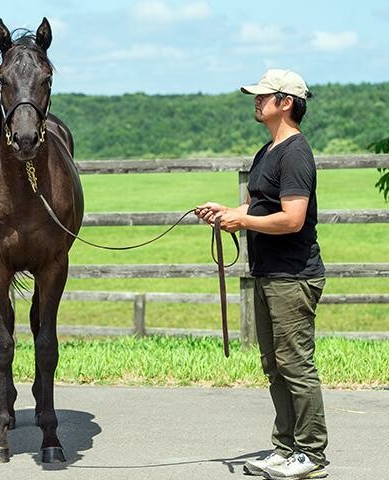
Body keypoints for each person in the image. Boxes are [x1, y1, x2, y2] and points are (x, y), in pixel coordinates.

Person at [195, 69, 328, 480]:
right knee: (274, 365)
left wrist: (244, 221)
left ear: (285, 103)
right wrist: (227, 213)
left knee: (296, 365)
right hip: (268, 272)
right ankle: (286, 447)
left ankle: (311, 453)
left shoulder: (295, 154)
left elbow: (291, 219)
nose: (256, 100)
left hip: (293, 276)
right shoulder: (266, 152)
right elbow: (255, 208)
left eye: (263, 95)